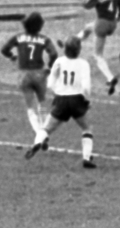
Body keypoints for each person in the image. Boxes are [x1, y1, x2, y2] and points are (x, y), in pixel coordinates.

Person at [26, 35, 97, 169]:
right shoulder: (83, 64)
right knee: (86, 128)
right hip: (77, 99)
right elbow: (86, 87)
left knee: (47, 128)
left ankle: (37, 142)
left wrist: (58, 93)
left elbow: (50, 83)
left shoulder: (59, 62)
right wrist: (87, 100)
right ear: (79, 50)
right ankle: (87, 157)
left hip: (61, 98)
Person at [1, 11, 59, 136]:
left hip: (24, 74)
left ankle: (38, 132)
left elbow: (4, 49)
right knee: (42, 102)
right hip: (39, 73)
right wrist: (49, 67)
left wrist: (12, 57)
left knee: (30, 107)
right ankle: (44, 131)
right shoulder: (44, 39)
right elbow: (53, 53)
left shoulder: (18, 37)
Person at [80, 0, 120, 94]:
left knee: (98, 55)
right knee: (88, 27)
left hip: (101, 24)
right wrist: (118, 19)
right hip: (112, 23)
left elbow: (87, 6)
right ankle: (72, 42)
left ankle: (110, 78)